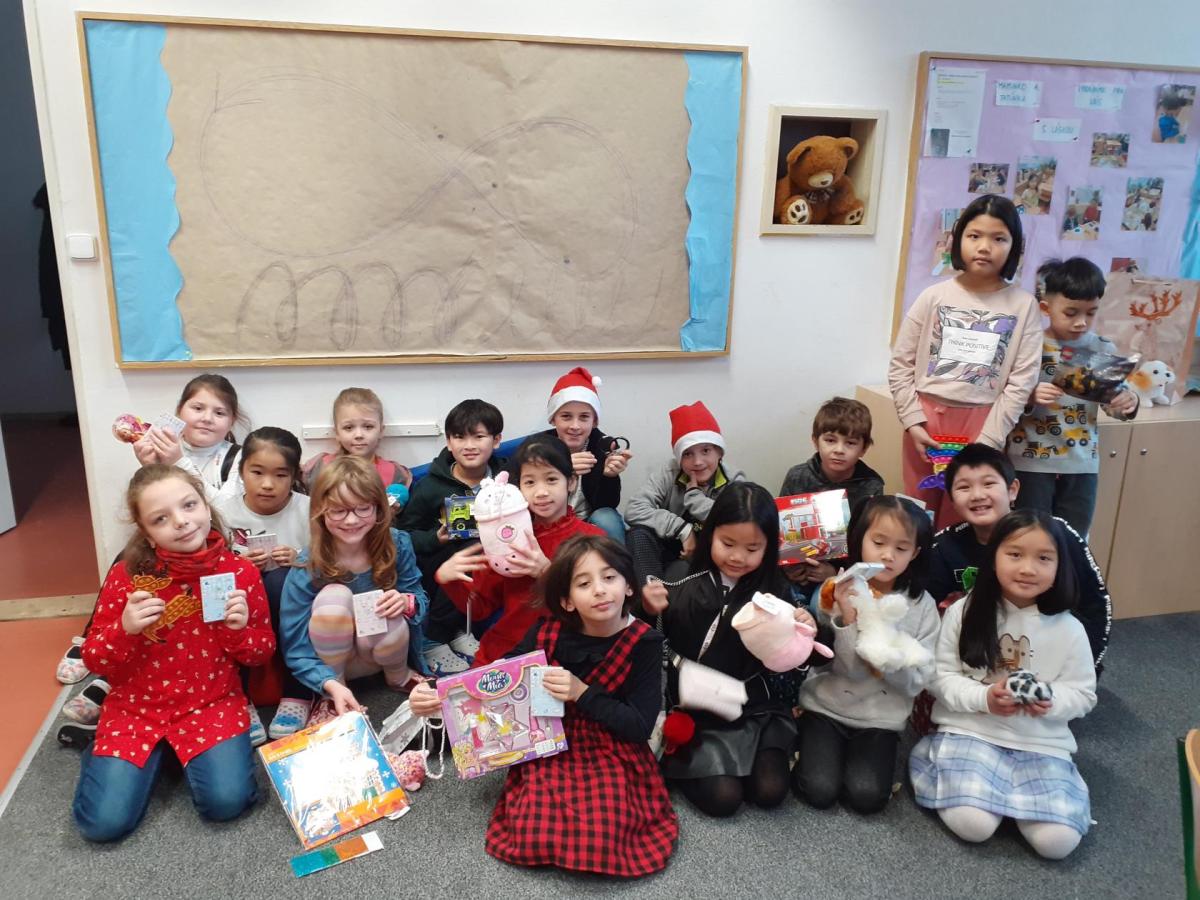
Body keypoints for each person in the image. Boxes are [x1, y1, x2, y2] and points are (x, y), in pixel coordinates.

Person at [410, 536, 678, 876]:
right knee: (533, 831)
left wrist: (582, 692)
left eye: (610, 577)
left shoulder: (644, 642)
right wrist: (439, 694)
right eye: (584, 583)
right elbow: (498, 676)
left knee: (603, 836)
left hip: (614, 744)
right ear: (566, 601)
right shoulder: (547, 631)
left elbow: (638, 726)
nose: (599, 590)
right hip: (549, 737)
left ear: (628, 586)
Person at [71, 465, 272, 841]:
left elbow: (260, 654)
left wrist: (238, 630)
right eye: (160, 519)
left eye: (189, 505)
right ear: (146, 533)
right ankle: (114, 754)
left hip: (210, 702)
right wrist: (125, 629)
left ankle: (173, 753)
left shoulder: (240, 572)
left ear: (206, 506)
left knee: (227, 803)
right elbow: (94, 659)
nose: (181, 522)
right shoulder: (126, 576)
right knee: (103, 825)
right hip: (136, 708)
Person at [910, 510, 1098, 860]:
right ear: (993, 557)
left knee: (1057, 844)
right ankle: (989, 796)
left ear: (1060, 566)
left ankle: (1015, 801)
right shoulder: (964, 611)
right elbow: (940, 677)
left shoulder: (1070, 629)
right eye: (1014, 554)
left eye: (1044, 558)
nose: (1028, 568)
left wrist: (1050, 701)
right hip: (971, 732)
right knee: (974, 826)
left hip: (1041, 744)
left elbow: (1084, 694)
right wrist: (985, 698)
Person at [57, 375, 246, 687]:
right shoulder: (162, 444)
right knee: (127, 560)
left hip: (216, 543)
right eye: (197, 408)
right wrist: (148, 468)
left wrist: (178, 462)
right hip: (170, 545)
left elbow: (228, 512)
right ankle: (95, 637)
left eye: (219, 412)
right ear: (179, 411)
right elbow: (154, 508)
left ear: (232, 421)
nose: (206, 418)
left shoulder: (237, 457)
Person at [642, 482, 812, 818]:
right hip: (698, 707)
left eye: (752, 548)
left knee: (770, 791)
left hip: (753, 705)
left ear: (769, 547)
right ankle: (696, 765)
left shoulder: (775, 590)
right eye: (728, 543)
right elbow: (646, 641)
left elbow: (791, 659)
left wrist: (804, 629)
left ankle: (750, 760)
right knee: (724, 799)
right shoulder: (681, 577)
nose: (737, 557)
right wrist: (645, 608)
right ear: (710, 535)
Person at [888, 194, 1042, 526]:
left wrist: (989, 440)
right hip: (926, 423)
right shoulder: (933, 296)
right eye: (974, 236)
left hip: (983, 424)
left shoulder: (1023, 305)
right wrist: (913, 421)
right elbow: (900, 365)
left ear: (1014, 247)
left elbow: (1022, 381)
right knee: (917, 516)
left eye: (998, 238)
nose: (984, 247)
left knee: (967, 519)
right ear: (959, 240)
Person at [792, 496, 937, 813]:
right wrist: (847, 620)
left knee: (866, 796)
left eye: (901, 548)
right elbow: (841, 668)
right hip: (826, 705)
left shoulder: (922, 605)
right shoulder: (836, 590)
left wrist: (887, 659)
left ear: (915, 553)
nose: (888, 555)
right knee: (819, 790)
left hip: (881, 717)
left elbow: (917, 682)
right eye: (879, 542)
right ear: (860, 541)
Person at [928, 444, 1110, 669]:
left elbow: (1095, 606)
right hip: (979, 658)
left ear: (1012, 490)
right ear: (952, 500)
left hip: (1050, 653)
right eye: (964, 487)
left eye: (989, 484)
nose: (977, 495)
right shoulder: (945, 546)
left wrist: (1085, 668)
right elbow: (922, 603)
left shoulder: (1054, 533)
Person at [280, 456, 429, 724]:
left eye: (362, 508)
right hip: (334, 663)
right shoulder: (308, 564)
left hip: (384, 652)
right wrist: (327, 683)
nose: (351, 520)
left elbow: (418, 597)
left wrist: (406, 602)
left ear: (379, 508)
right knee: (334, 597)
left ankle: (399, 676)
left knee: (387, 603)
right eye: (338, 510)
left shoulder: (397, 544)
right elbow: (295, 644)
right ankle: (335, 692)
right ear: (320, 511)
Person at [435, 437, 603, 666]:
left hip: (570, 650)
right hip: (510, 648)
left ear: (571, 481)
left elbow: (603, 608)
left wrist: (548, 573)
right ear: (518, 488)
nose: (541, 492)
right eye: (530, 482)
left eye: (551, 479)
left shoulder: (593, 539)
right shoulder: (504, 538)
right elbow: (480, 609)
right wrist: (450, 580)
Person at [1008, 258, 1139, 536]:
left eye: (1091, 313)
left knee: (1074, 539)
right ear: (1046, 308)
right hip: (1030, 461)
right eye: (1070, 313)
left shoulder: (1101, 348)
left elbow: (1113, 402)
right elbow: (1005, 396)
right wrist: (1030, 396)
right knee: (1029, 535)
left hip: (1081, 462)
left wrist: (1127, 402)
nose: (1081, 322)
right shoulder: (1030, 344)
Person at [213, 426, 313, 740]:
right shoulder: (222, 513)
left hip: (292, 601)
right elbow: (211, 566)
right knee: (227, 588)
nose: (268, 484)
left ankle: (298, 690)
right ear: (242, 471)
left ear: (294, 476)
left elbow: (328, 558)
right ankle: (237, 695)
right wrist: (239, 565)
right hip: (240, 607)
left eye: (280, 475)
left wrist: (299, 556)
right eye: (257, 472)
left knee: (282, 581)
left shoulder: (308, 509)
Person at [397, 399, 505, 675]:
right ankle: (434, 636)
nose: (469, 445)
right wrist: (435, 538)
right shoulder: (431, 486)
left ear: (496, 440)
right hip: (439, 562)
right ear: (448, 442)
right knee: (467, 549)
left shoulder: (506, 478)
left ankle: (458, 630)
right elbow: (403, 536)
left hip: (493, 561)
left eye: (478, 436)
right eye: (459, 437)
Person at [625, 401, 745, 592]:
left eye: (706, 451)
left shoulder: (734, 481)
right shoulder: (669, 472)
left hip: (712, 557)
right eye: (688, 454)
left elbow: (739, 522)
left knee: (684, 572)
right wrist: (683, 529)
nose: (697, 462)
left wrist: (695, 499)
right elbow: (634, 509)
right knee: (638, 534)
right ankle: (648, 602)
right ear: (679, 458)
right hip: (671, 549)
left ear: (719, 452)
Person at [779, 397, 885, 599]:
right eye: (830, 440)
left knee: (835, 604)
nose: (839, 450)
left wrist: (835, 572)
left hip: (842, 574)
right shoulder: (798, 476)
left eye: (850, 443)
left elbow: (869, 542)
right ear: (815, 441)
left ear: (863, 448)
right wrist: (790, 568)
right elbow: (781, 531)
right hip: (795, 570)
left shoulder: (871, 486)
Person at [527, 366, 633, 543]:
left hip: (588, 521)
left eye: (584, 417)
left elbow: (606, 505)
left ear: (594, 421)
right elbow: (517, 491)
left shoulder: (603, 447)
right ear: (553, 419)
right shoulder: (536, 447)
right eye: (566, 416)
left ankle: (617, 561)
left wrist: (609, 477)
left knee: (607, 517)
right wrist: (559, 469)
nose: (575, 426)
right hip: (547, 521)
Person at [302, 387, 412, 494]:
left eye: (368, 427)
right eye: (349, 427)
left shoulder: (394, 474)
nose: (359, 435)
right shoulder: (320, 468)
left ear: (381, 431)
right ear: (337, 433)